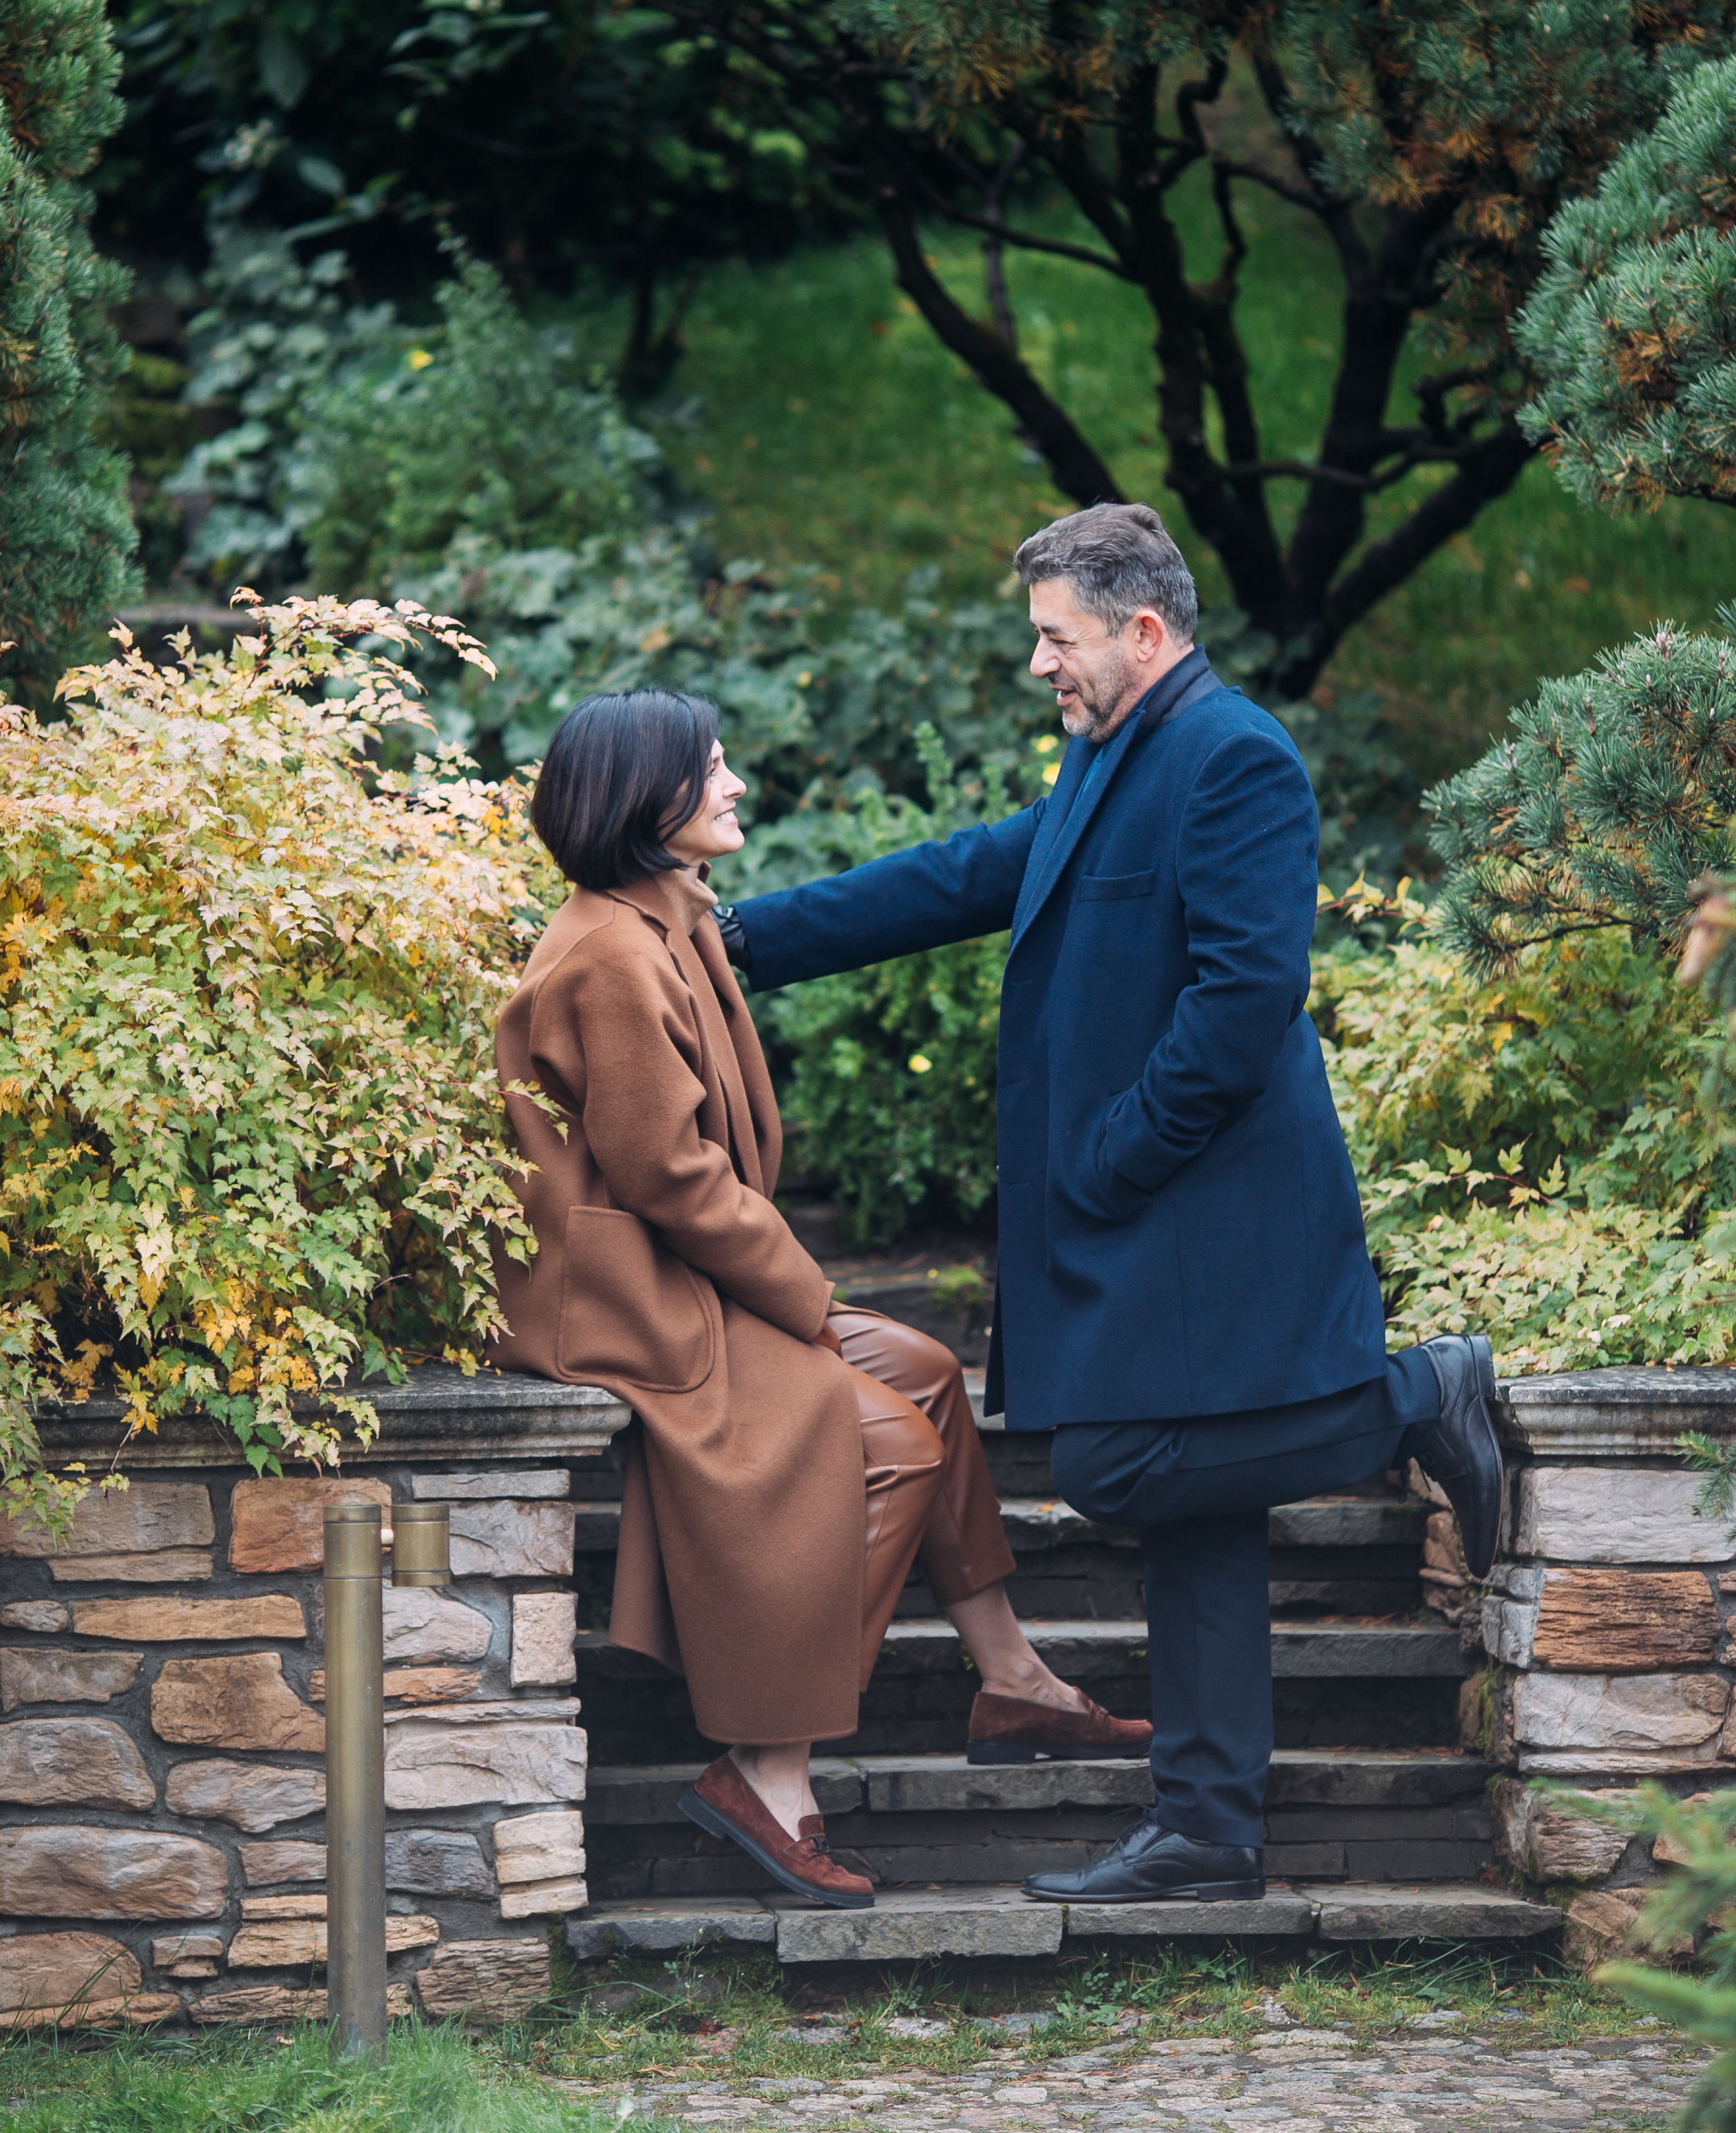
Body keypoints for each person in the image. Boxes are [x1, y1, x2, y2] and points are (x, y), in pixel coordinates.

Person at [714, 503, 1503, 1907]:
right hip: (1156, 1210)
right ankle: (1208, 1827)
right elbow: (967, 871)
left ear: (1142, 631)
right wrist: (741, 938)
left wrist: (1111, 1156)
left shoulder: (1234, 757)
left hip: (1206, 1209)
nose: (1039, 664)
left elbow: (1245, 1000)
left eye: (1054, 637)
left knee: (1119, 1466)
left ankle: (1412, 1397)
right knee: (1200, 1512)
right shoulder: (1107, 754)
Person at [490, 689, 1150, 1913]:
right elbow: (670, 1177)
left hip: (688, 1266)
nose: (735, 784)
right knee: (887, 1441)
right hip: (627, 1297)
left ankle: (1014, 1683)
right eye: (712, 767)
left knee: (928, 1375)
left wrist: (794, 1291)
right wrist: (800, 1287)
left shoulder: (669, 918)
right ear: (644, 797)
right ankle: (766, 1766)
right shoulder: (608, 955)